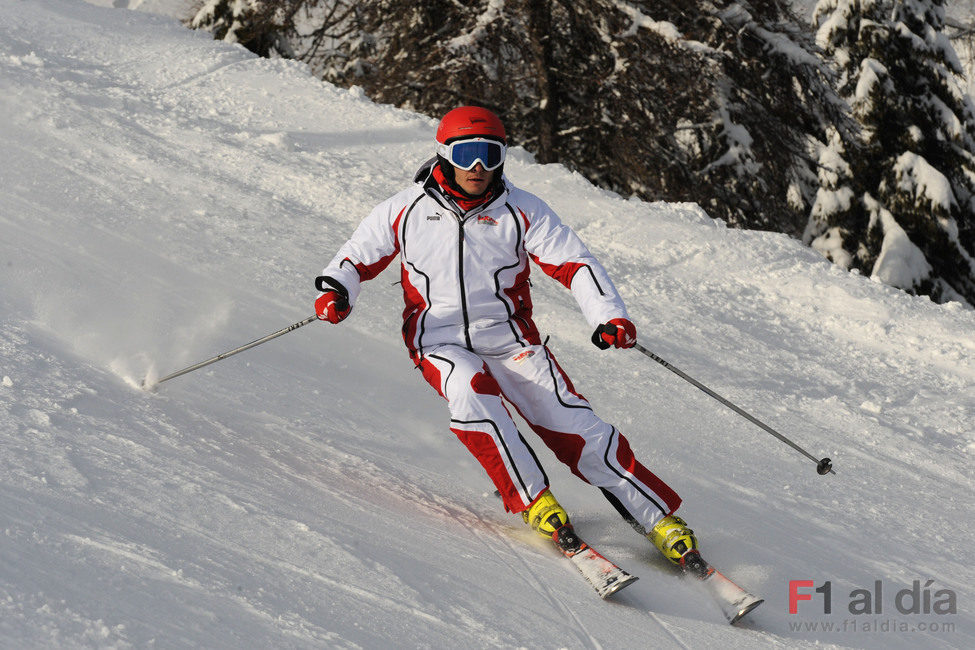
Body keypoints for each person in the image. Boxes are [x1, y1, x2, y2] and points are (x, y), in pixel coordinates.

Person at [315, 106, 698, 568]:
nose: (478, 167)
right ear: (444, 153)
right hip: (438, 341)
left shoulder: (523, 209)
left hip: (512, 342)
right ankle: (534, 501)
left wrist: (607, 316)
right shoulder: (406, 208)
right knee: (470, 391)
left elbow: (576, 264)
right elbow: (357, 255)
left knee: (575, 424)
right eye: (467, 153)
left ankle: (659, 520)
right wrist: (337, 289)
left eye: (490, 155)